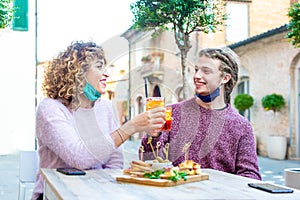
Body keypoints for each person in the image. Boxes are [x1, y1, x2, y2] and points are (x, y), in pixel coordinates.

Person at [31, 41, 166, 200]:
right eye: (99, 66)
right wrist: (131, 127)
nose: (107, 73)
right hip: (54, 193)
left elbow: (115, 160)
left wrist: (103, 188)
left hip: (95, 191)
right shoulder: (50, 108)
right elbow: (78, 157)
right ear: (79, 72)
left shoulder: (105, 107)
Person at [141, 47, 261, 180]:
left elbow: (251, 176)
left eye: (206, 71)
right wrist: (153, 135)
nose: (197, 76)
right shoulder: (171, 113)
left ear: (225, 78)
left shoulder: (241, 125)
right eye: (197, 70)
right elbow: (148, 161)